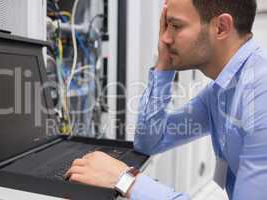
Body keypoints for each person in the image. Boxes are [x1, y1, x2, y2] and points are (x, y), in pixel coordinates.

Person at [64, 0, 267, 199]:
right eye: (166, 26)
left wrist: (125, 180)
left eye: (175, 26)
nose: (166, 38)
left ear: (221, 28)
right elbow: (150, 141)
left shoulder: (261, 94)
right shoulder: (220, 91)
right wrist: (163, 66)